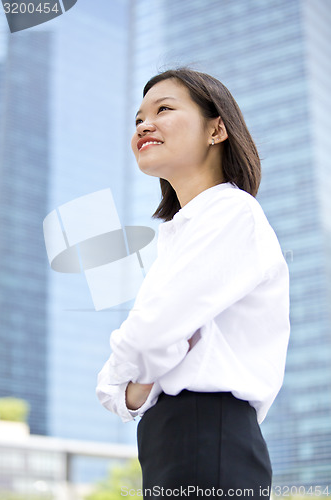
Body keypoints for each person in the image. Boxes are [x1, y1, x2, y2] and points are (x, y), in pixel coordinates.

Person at [96, 68, 290, 499]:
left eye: (164, 109)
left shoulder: (231, 214)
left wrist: (128, 382)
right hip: (175, 442)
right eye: (138, 119)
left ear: (216, 128)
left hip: (208, 438)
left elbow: (147, 337)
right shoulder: (184, 233)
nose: (145, 124)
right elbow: (131, 375)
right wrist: (133, 386)